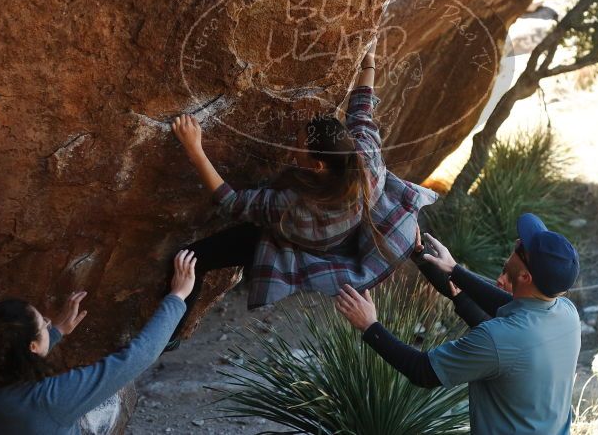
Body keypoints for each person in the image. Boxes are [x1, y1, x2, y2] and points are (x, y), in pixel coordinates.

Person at [166, 35, 438, 345]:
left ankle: (169, 335)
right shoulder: (366, 155)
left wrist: (195, 150)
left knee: (192, 258)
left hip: (291, 246)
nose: (292, 147)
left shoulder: (296, 207)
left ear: (318, 166)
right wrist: (369, 57)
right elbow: (362, 106)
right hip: (340, 232)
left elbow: (232, 202)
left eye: (299, 147)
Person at [336, 213, 581, 435]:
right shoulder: (566, 313)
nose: (517, 241)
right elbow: (500, 304)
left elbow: (423, 371)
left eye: (521, 247)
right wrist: (444, 266)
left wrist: (370, 327)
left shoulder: (500, 338)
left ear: (525, 277)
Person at [0, 250, 197, 435]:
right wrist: (177, 297)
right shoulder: (51, 400)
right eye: (43, 324)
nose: (48, 322)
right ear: (32, 347)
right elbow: (138, 357)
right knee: (115, 395)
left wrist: (56, 332)